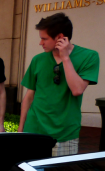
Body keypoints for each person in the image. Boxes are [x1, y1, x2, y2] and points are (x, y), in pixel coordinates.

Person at [19, 13, 99, 156]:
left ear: (60, 37)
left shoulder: (89, 56)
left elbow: (77, 90)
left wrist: (65, 58)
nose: (40, 43)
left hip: (65, 134)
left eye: (44, 38)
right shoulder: (38, 60)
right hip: (33, 131)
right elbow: (29, 96)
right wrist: (20, 131)